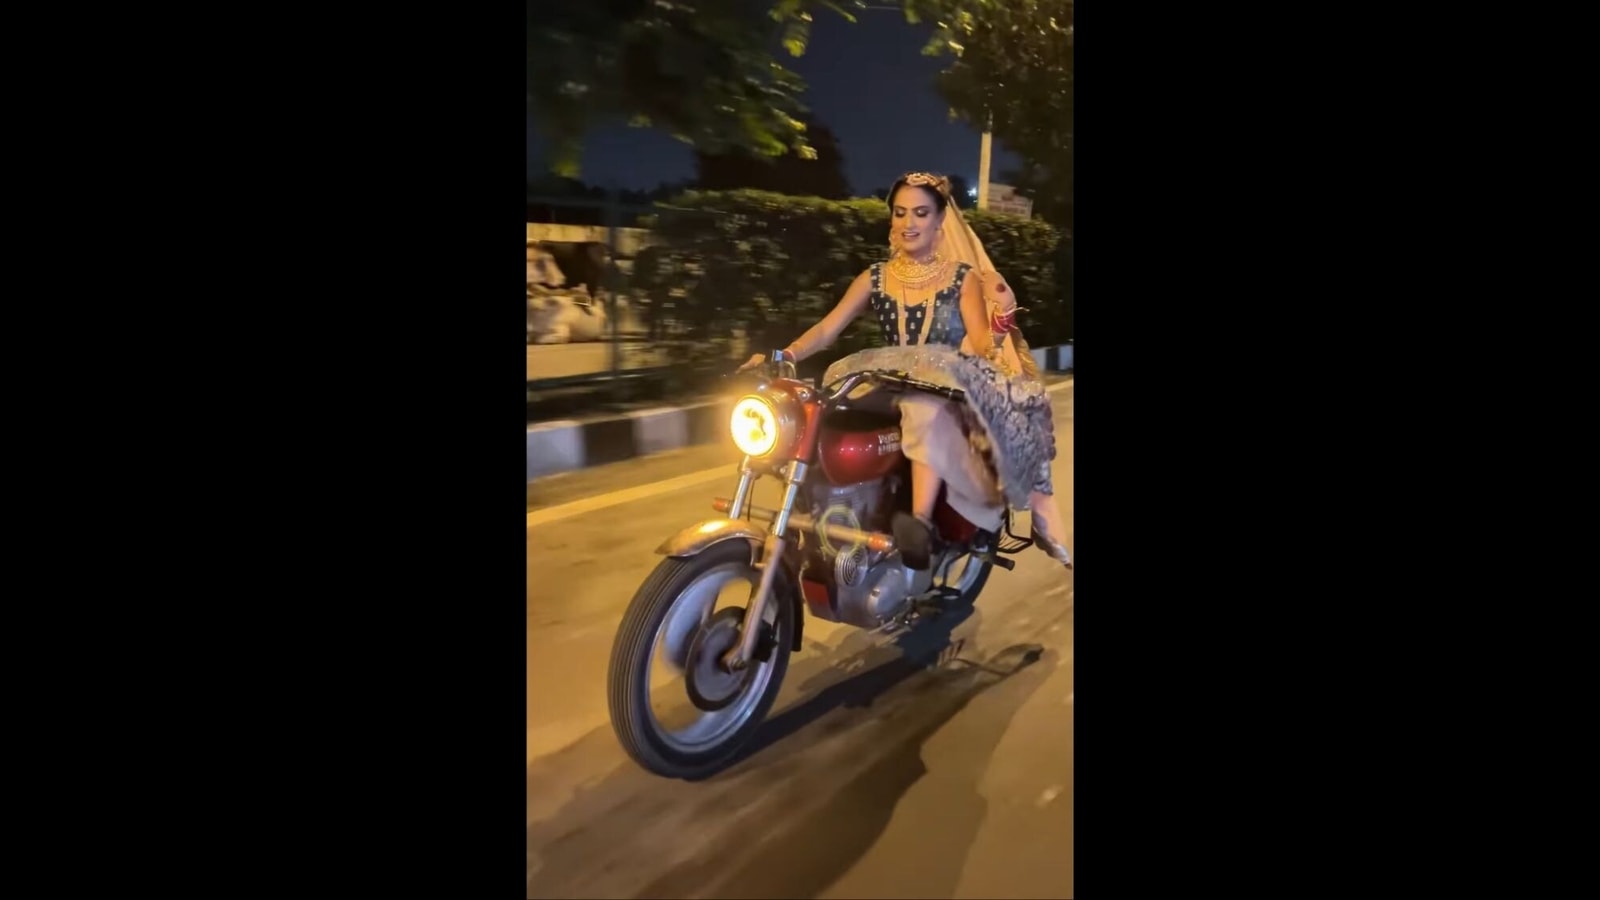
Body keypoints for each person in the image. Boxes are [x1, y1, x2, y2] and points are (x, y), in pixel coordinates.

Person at [739, 172, 1071, 571]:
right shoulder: (875, 277)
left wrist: (1002, 316)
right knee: (817, 411)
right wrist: (784, 353)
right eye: (901, 213)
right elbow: (828, 329)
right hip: (886, 376)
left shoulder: (962, 278)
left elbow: (983, 344)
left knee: (922, 408)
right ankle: (814, 513)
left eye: (921, 213)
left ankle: (921, 526)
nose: (909, 222)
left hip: (945, 383)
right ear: (891, 220)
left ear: (938, 222)